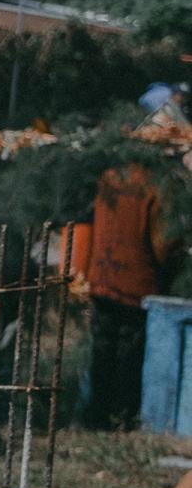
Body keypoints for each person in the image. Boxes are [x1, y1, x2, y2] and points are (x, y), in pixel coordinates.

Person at [82, 162, 174, 427]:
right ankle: (122, 415)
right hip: (136, 280)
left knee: (102, 348)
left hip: (102, 275)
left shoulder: (109, 176)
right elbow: (162, 243)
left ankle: (95, 415)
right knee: (129, 353)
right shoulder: (154, 184)